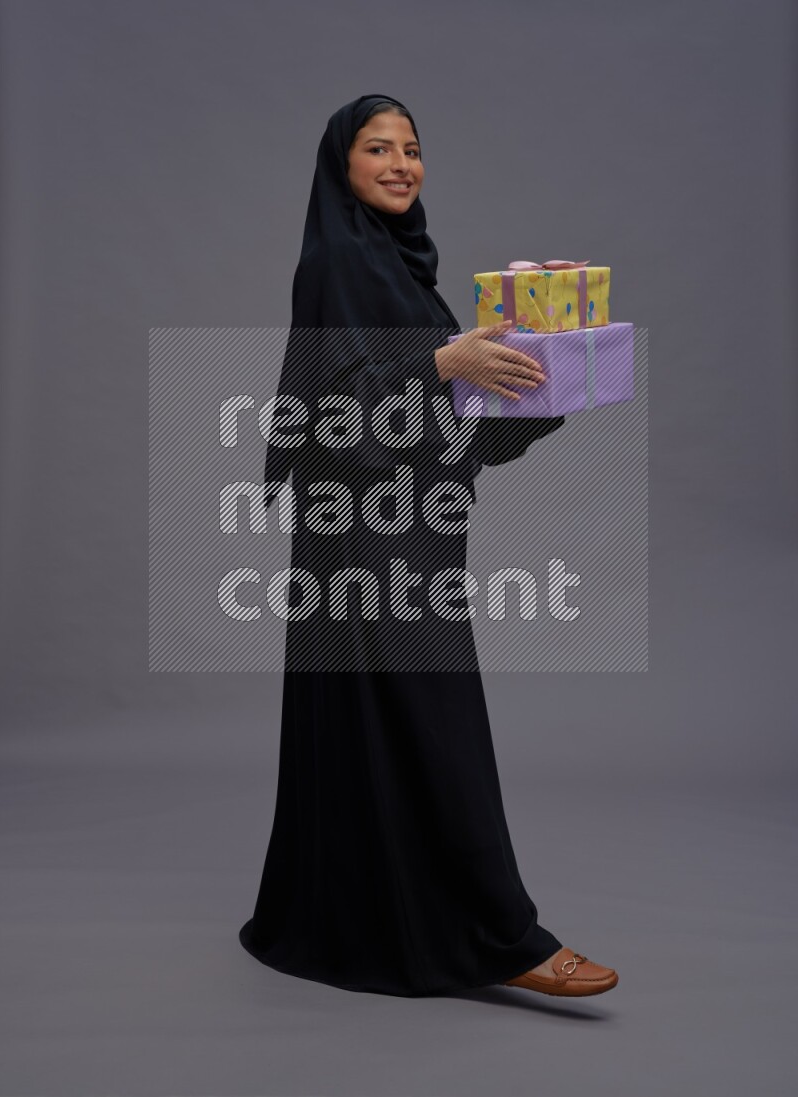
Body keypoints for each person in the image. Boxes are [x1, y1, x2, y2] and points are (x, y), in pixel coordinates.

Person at [238, 93, 618, 999]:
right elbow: (329, 411)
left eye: (413, 148)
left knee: (382, 724)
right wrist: (445, 363)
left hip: (410, 527)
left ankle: (347, 922)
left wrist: (546, 377)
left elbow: (442, 423)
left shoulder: (401, 267)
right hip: (360, 539)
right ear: (343, 166)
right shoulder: (335, 260)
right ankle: (508, 934)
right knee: (431, 723)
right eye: (379, 148)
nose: (402, 163)